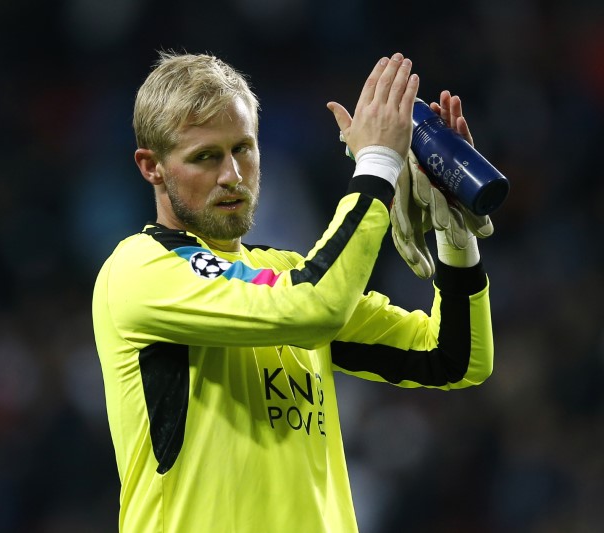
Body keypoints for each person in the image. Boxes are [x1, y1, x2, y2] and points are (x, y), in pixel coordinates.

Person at [92, 51, 495, 533]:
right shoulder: (140, 268)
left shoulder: (284, 274)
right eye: (205, 157)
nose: (232, 176)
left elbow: (453, 357)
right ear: (151, 167)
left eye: (243, 148)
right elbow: (312, 307)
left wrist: (455, 234)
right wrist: (378, 165)